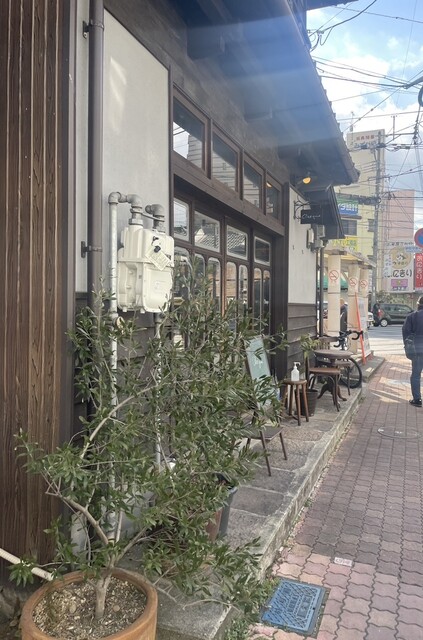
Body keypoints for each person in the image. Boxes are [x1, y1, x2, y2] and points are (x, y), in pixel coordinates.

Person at [402, 295, 423, 407]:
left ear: (418, 304)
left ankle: (417, 399)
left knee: (416, 375)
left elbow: (406, 333)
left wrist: (407, 347)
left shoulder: (412, 316)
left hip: (417, 350)